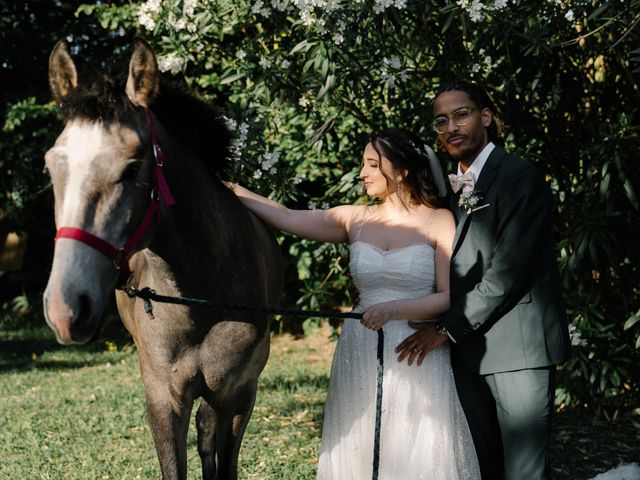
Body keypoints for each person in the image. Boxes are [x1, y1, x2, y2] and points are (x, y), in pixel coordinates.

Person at [226, 128, 480, 479]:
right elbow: (286, 216)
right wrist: (234, 191)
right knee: (360, 440)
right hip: (359, 347)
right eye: (364, 164)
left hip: (414, 347)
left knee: (417, 444)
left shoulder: (438, 220)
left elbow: (447, 296)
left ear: (402, 171)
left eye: (373, 165)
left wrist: (393, 310)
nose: (363, 173)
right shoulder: (355, 219)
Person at [396, 80, 572, 479]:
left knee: (524, 471)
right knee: (482, 467)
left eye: (461, 114)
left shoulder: (519, 176)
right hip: (465, 354)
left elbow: (507, 273)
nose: (451, 127)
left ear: (486, 117)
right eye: (441, 121)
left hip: (518, 351)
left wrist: (444, 330)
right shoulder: (446, 191)